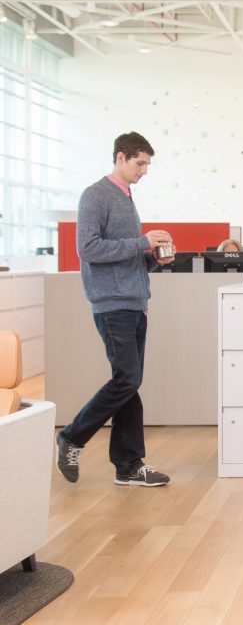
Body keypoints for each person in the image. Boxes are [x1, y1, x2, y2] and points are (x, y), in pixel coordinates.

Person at [55, 132, 175, 487]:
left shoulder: (126, 198)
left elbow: (123, 257)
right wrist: (142, 241)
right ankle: (72, 437)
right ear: (120, 158)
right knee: (127, 379)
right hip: (112, 304)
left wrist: (153, 259)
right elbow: (88, 248)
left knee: (129, 383)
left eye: (147, 164)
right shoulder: (95, 195)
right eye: (140, 163)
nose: (144, 170)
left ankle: (128, 465)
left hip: (136, 303)